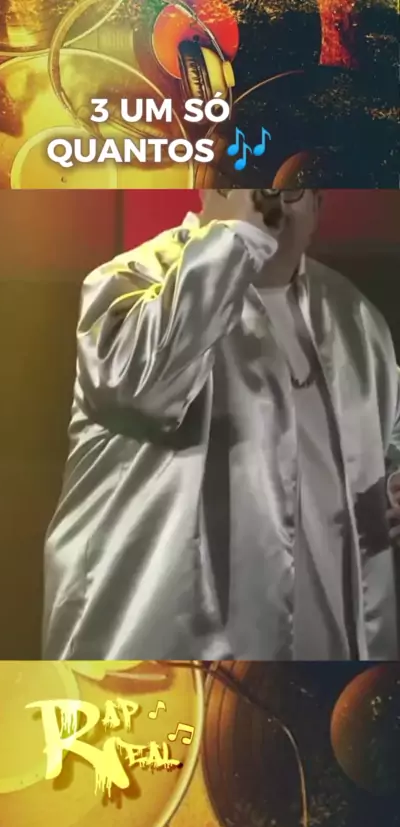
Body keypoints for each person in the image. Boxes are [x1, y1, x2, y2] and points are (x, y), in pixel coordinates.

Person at [43, 189, 400, 662]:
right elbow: (136, 389)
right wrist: (232, 241)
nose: (271, 199)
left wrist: (393, 482)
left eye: (292, 187)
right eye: (250, 180)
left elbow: (388, 438)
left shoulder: (353, 314)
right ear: (210, 189)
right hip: (164, 660)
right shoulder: (132, 281)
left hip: (326, 665)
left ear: (318, 205)